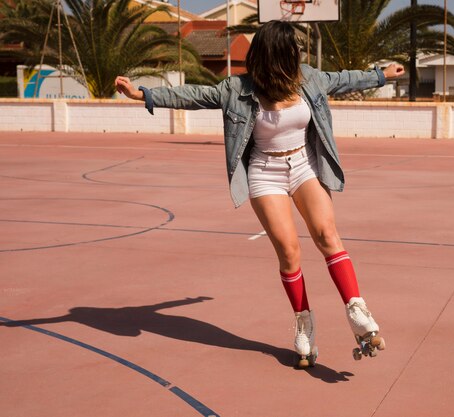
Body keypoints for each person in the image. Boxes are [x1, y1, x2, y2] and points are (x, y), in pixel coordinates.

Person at [115, 20, 405, 368]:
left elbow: (343, 79)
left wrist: (381, 75)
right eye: (292, 52)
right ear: (276, 56)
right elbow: (192, 95)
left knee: (327, 235)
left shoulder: (309, 78)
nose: (298, 56)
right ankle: (304, 323)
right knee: (289, 251)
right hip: (264, 173)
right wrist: (144, 94)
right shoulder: (236, 89)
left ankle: (356, 309)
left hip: (305, 165)